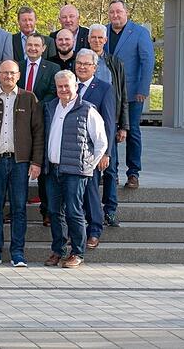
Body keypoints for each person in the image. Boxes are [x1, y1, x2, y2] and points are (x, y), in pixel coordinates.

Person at [42, 70, 108, 269]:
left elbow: (101, 142)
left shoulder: (87, 110)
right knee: (54, 212)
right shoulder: (51, 107)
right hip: (53, 170)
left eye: (67, 86)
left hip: (75, 171)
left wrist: (89, 165)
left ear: (76, 87)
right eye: (60, 86)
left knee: (74, 211)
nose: (63, 90)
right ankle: (58, 250)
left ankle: (78, 252)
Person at [0, 60, 43, 268]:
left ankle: (17, 252)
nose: (8, 76)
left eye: (12, 73)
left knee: (19, 208)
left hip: (20, 162)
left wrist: (36, 161)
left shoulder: (29, 98)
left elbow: (38, 133)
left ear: (18, 75)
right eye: (4, 73)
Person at [106, 0, 154, 190]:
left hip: (132, 92)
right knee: (110, 131)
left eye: (119, 11)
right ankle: (111, 172)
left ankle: (133, 173)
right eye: (112, 12)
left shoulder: (140, 32)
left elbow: (147, 61)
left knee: (132, 131)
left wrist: (143, 89)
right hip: (109, 92)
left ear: (126, 13)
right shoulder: (104, 32)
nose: (115, 15)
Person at [73, 49, 116, 250]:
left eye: (86, 64)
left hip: (93, 152)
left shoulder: (105, 89)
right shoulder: (70, 86)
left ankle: (95, 231)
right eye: (79, 63)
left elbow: (108, 123)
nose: (81, 67)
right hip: (72, 150)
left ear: (95, 68)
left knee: (90, 192)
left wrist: (105, 153)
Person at [87, 23, 129, 226]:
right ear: (88, 40)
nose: (96, 41)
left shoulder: (114, 63)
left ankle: (110, 210)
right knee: (91, 171)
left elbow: (123, 95)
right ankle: (92, 211)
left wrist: (124, 126)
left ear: (105, 40)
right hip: (86, 125)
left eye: (100, 38)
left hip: (110, 123)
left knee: (111, 169)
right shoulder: (83, 61)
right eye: (93, 37)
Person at [19, 32, 59, 223]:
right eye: (29, 45)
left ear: (43, 48)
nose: (33, 48)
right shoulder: (17, 66)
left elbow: (53, 93)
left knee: (42, 166)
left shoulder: (53, 68)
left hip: (43, 122)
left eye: (37, 45)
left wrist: (35, 106)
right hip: (19, 123)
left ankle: (46, 211)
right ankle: (17, 208)